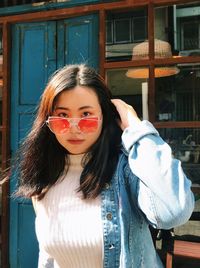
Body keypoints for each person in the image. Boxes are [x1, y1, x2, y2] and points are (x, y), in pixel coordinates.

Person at [15, 64, 194, 268]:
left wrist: (136, 129)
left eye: (86, 116)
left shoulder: (127, 172)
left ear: (104, 118)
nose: (74, 129)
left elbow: (174, 212)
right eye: (62, 117)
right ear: (48, 122)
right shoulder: (45, 176)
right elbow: (49, 257)